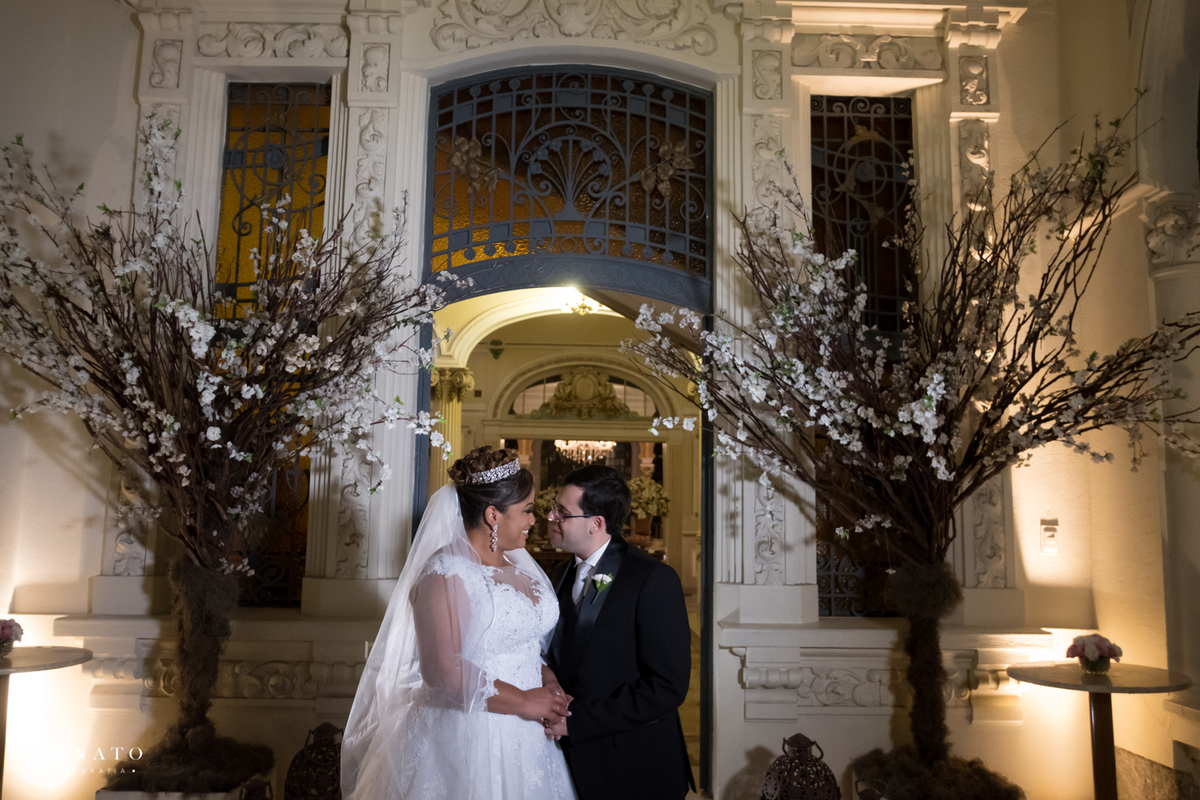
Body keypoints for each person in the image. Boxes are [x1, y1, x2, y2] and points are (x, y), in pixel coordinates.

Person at [341, 447, 577, 800]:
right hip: (470, 733)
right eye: (526, 511)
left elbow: (524, 644)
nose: (534, 520)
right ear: (494, 514)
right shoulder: (446, 571)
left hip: (530, 738)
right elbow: (442, 673)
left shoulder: (522, 569)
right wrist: (527, 702)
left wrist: (549, 682)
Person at [544, 464, 695, 800]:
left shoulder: (653, 579)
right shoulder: (557, 574)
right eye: (554, 508)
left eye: (562, 513)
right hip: (567, 760)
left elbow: (667, 687)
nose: (550, 517)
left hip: (633, 764)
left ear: (596, 523)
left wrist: (578, 720)